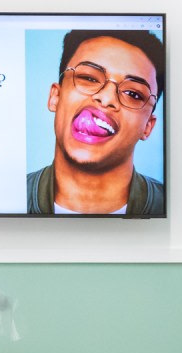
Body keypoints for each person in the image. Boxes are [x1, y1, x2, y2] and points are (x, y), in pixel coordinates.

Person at [27, 30, 165, 216]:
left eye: (133, 94)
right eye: (89, 78)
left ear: (148, 126)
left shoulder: (171, 205)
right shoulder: (6, 197)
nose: (106, 98)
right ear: (55, 97)